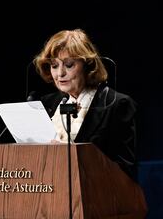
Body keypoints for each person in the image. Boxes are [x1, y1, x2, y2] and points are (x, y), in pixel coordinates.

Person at [33, 28, 137, 180]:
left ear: (88, 64)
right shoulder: (47, 103)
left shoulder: (118, 104)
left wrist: (73, 156)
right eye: (54, 65)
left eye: (69, 65)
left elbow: (125, 170)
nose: (60, 73)